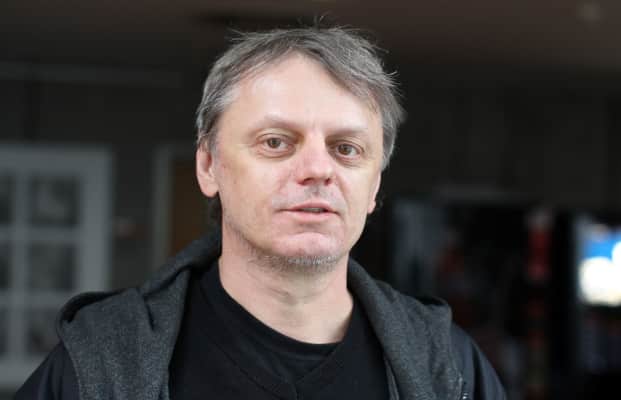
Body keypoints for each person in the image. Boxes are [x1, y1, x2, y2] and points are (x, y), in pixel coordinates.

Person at [15, 26, 506, 399]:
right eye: (276, 142)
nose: (318, 170)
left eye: (346, 149)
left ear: (374, 185)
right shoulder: (102, 361)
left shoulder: (449, 367)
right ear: (208, 167)